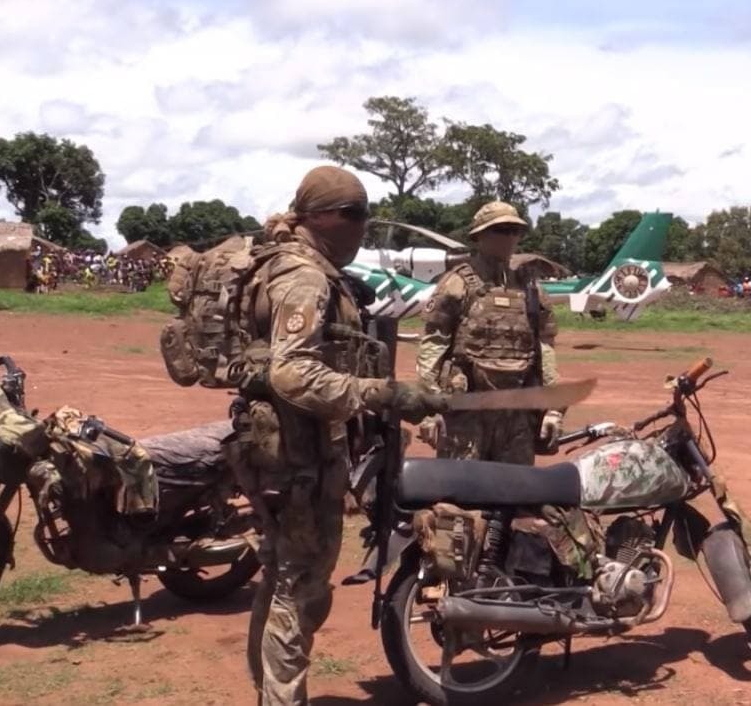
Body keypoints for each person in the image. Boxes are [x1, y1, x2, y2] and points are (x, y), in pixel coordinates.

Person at [236, 166, 445, 706]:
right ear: (323, 217)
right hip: (297, 453)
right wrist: (379, 394)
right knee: (301, 586)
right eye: (355, 217)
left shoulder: (284, 264)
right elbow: (292, 372)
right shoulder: (305, 276)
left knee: (282, 573)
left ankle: (267, 691)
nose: (360, 230)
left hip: (277, 448)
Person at [415, 200, 561, 465]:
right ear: (479, 236)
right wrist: (431, 407)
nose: (509, 237)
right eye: (500, 229)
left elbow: (546, 348)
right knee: (460, 494)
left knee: (514, 493)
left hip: (516, 413)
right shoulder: (457, 283)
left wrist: (553, 409)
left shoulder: (530, 288)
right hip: (466, 410)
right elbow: (433, 345)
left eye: (514, 230)